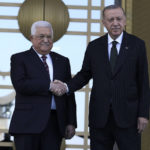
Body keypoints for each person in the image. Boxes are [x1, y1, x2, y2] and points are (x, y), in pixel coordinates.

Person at [50, 5, 150, 150]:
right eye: (111, 19)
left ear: (125, 21)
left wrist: (143, 114)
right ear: (104, 22)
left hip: (128, 117)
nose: (115, 23)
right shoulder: (94, 47)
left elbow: (143, 82)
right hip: (100, 118)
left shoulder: (137, 45)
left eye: (119, 19)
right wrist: (66, 87)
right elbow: (84, 74)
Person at [9, 21, 77, 150]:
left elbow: (69, 93)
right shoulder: (19, 58)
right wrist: (49, 86)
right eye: (41, 36)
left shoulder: (63, 61)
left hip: (55, 123)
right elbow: (20, 84)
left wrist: (71, 122)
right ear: (32, 38)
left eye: (49, 36)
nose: (46, 40)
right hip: (27, 124)